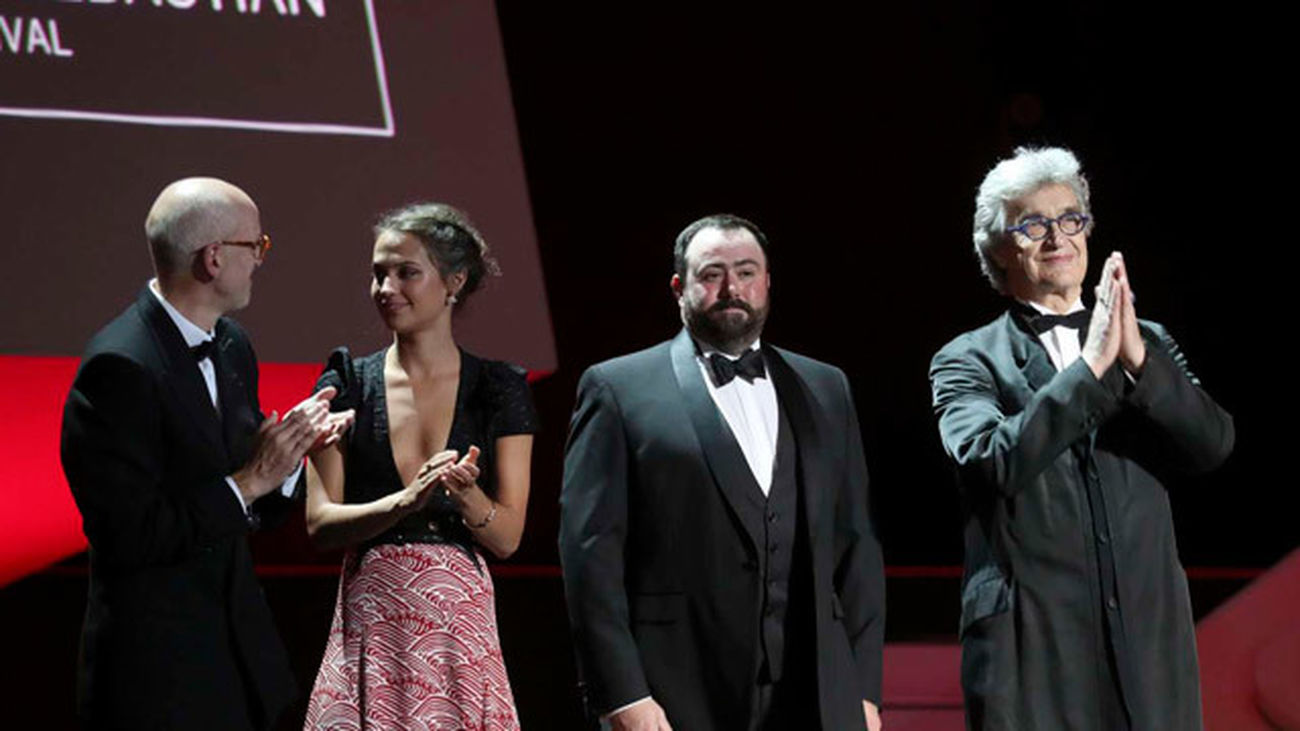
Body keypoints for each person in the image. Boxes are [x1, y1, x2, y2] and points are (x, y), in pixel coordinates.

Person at [929, 147, 1235, 730]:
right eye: (1032, 225)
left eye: (1070, 218)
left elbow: (1213, 443)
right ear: (997, 248)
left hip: (1147, 643)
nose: (1056, 237)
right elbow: (992, 462)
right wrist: (1092, 367)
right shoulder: (966, 358)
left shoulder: (1147, 342)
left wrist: (1138, 360)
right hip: (1033, 651)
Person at [559, 214, 885, 731]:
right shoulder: (618, 388)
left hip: (816, 692)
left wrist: (864, 691)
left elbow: (857, 545)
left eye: (747, 272)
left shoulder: (826, 386)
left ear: (768, 281)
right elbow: (589, 557)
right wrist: (622, 696)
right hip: (675, 692)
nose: (732, 288)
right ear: (679, 287)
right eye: (711, 274)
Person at [61, 177, 352, 729]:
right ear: (214, 258)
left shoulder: (232, 344)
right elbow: (130, 535)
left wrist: (290, 458)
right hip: (158, 677)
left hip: (239, 663)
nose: (262, 260)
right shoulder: (119, 368)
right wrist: (251, 478)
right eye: (256, 245)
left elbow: (252, 497)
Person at [302, 202, 537, 730]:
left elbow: (508, 538)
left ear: (454, 282)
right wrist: (405, 501)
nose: (387, 287)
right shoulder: (347, 381)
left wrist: (467, 495)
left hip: (459, 624)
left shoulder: (499, 388)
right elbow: (320, 524)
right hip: (374, 619)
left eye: (406, 272)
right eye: (378, 273)